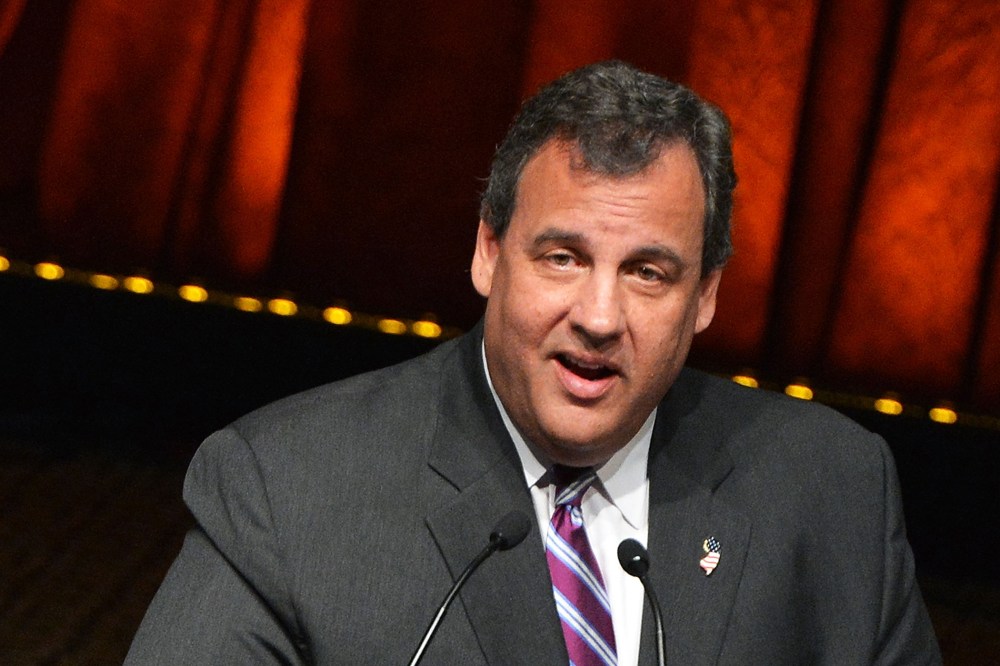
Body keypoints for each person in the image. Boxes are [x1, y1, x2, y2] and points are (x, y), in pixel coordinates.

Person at [126, 61, 941, 664]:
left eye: (648, 273)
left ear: (705, 297)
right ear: (489, 252)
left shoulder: (833, 488)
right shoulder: (288, 487)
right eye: (562, 257)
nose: (597, 317)